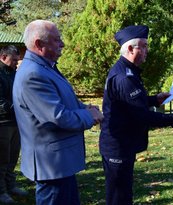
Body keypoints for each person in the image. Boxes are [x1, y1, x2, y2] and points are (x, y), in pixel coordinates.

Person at [12, 20, 104, 205]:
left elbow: (63, 98)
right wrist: (90, 116)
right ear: (39, 44)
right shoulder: (33, 75)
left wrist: (84, 107)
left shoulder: (44, 68)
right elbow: (57, 117)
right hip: (52, 166)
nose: (62, 44)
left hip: (59, 163)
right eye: (56, 40)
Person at [100, 25, 173, 204]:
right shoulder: (124, 77)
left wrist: (155, 99)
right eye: (144, 46)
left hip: (123, 143)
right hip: (118, 145)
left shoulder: (128, 71)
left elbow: (130, 103)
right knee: (118, 198)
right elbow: (142, 116)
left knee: (123, 194)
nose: (147, 50)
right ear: (130, 49)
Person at [0, 45, 28, 204]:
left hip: (15, 121)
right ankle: (1, 192)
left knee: (12, 157)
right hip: (3, 123)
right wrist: (18, 108)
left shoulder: (13, 74)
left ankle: (10, 186)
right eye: (14, 60)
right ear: (3, 57)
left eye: (18, 60)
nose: (17, 63)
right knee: (2, 159)